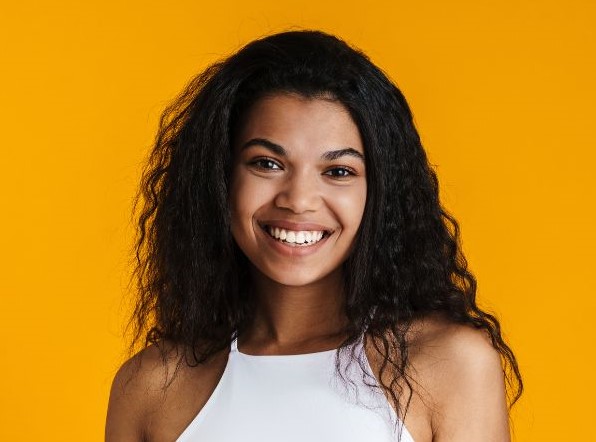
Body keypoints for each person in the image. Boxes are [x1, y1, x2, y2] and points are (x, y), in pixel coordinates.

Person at [105, 30, 522, 441]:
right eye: (267, 163)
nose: (299, 200)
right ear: (219, 178)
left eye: (338, 171)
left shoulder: (447, 365)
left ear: (380, 193)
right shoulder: (149, 389)